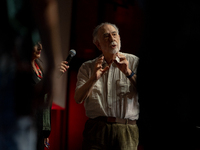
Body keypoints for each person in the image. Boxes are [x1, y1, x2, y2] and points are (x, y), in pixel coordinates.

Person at [74, 22, 139, 150]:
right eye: (106, 36)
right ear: (98, 44)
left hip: (126, 130)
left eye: (114, 34)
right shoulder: (87, 67)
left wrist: (128, 73)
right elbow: (78, 98)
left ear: (119, 38)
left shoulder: (134, 62)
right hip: (96, 129)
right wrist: (93, 78)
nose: (112, 38)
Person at [31, 42, 69, 150]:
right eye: (35, 43)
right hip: (29, 127)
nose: (40, 47)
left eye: (40, 43)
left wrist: (45, 131)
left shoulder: (39, 68)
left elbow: (46, 101)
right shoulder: (21, 68)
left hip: (41, 128)